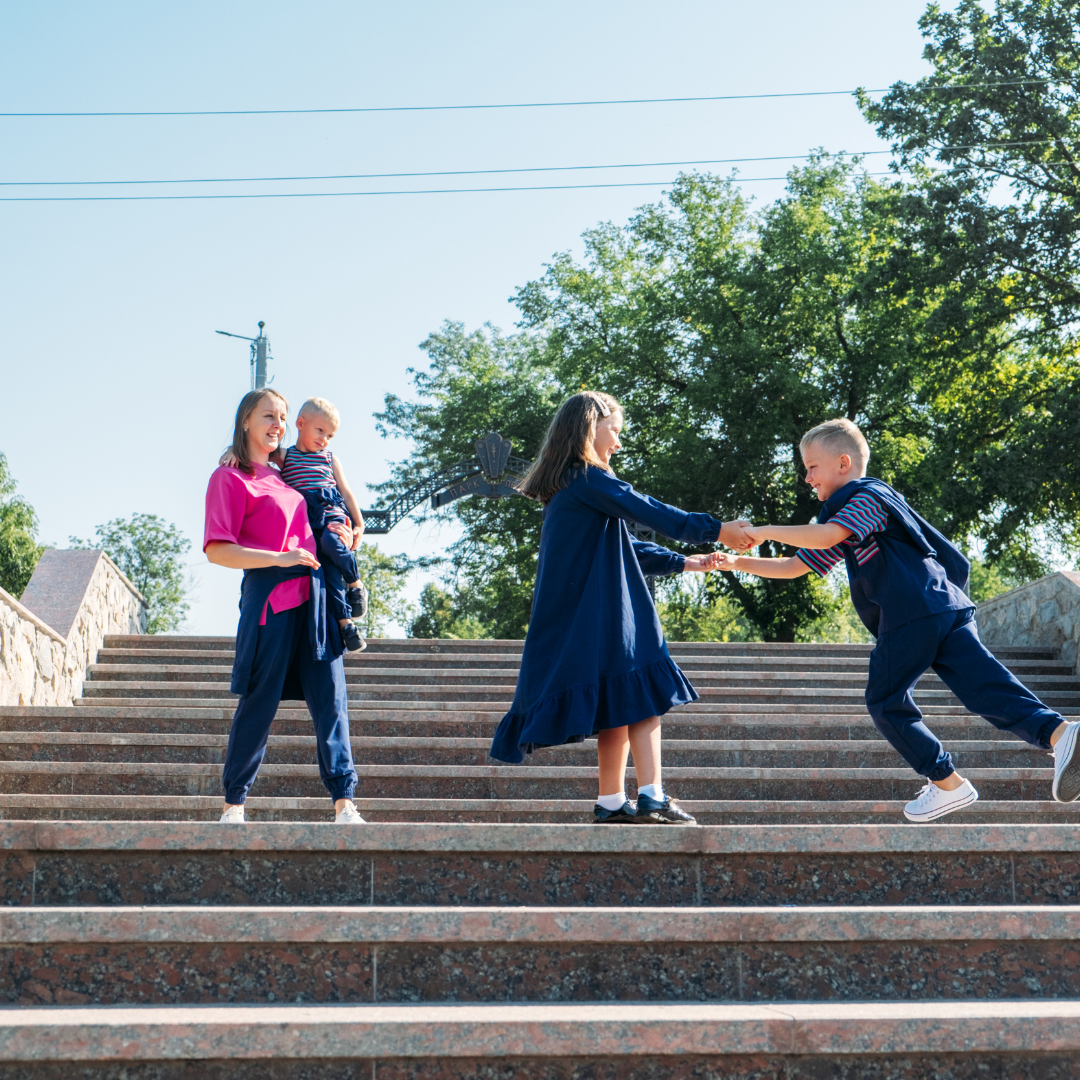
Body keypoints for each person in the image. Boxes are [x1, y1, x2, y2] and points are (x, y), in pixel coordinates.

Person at [713, 417, 1080, 822]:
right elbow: (798, 565)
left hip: (910, 613)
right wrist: (736, 562)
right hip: (943, 607)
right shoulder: (851, 516)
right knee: (985, 689)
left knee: (885, 702)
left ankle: (947, 782)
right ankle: (1062, 735)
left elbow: (827, 537)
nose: (806, 477)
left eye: (811, 467)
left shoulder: (868, 495)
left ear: (843, 463)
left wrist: (763, 530)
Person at [489, 391, 752, 825]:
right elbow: (647, 509)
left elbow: (624, 544)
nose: (619, 443)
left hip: (589, 612)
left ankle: (610, 801)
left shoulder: (570, 488)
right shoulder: (589, 480)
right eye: (615, 431)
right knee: (645, 694)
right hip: (605, 609)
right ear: (590, 429)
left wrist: (686, 562)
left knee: (618, 700)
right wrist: (717, 529)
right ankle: (652, 795)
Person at [204, 388, 364, 825]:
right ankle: (234, 804)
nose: (276, 424)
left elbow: (327, 497)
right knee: (259, 702)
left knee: (332, 700)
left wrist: (348, 527)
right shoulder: (230, 477)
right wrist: (278, 557)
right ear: (245, 421)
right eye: (267, 416)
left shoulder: (285, 472)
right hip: (270, 599)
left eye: (282, 416)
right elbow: (218, 550)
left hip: (316, 600)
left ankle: (344, 802)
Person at [222, 396, 368, 653]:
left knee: (333, 545)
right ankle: (347, 626)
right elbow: (256, 452)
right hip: (308, 524)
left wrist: (359, 524)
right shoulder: (285, 456)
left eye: (330, 435)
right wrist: (233, 450)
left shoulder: (330, 459)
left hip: (330, 514)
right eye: (320, 431)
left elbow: (346, 492)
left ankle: (356, 584)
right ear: (300, 423)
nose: (324, 439)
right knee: (327, 574)